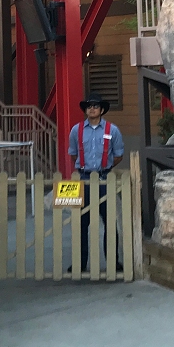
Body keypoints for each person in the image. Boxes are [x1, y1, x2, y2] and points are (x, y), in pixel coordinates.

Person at [67, 93, 125, 273]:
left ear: (101, 110)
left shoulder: (112, 130)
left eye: (95, 106)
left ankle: (113, 263)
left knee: (109, 222)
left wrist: (104, 168)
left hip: (104, 179)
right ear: (85, 110)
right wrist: (85, 167)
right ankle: (80, 263)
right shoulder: (76, 130)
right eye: (89, 106)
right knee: (81, 223)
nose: (92, 108)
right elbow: (73, 153)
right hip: (83, 180)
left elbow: (118, 155)